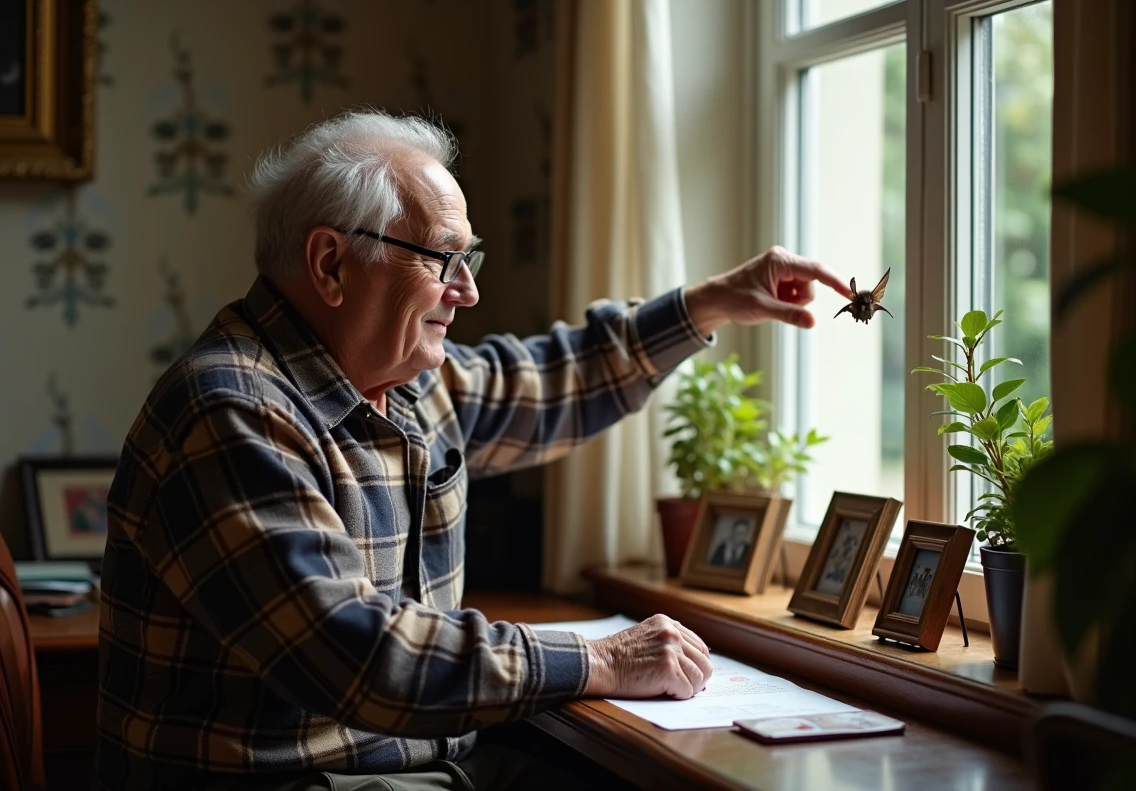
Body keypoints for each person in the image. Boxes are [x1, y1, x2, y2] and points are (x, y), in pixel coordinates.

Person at [96, 110, 851, 790]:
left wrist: (713, 299)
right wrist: (603, 660)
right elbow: (360, 654)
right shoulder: (232, 411)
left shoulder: (405, 381)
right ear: (330, 265)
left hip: (409, 768)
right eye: (442, 259)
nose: (468, 292)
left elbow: (556, 379)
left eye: (471, 260)